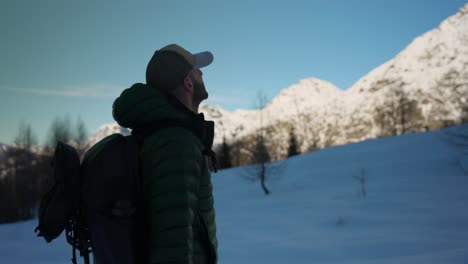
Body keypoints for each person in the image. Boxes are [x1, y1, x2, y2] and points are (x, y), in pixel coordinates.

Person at [112, 44, 218, 264]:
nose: (201, 72)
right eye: (196, 70)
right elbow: (173, 238)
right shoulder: (177, 142)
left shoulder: (163, 133)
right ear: (187, 83)